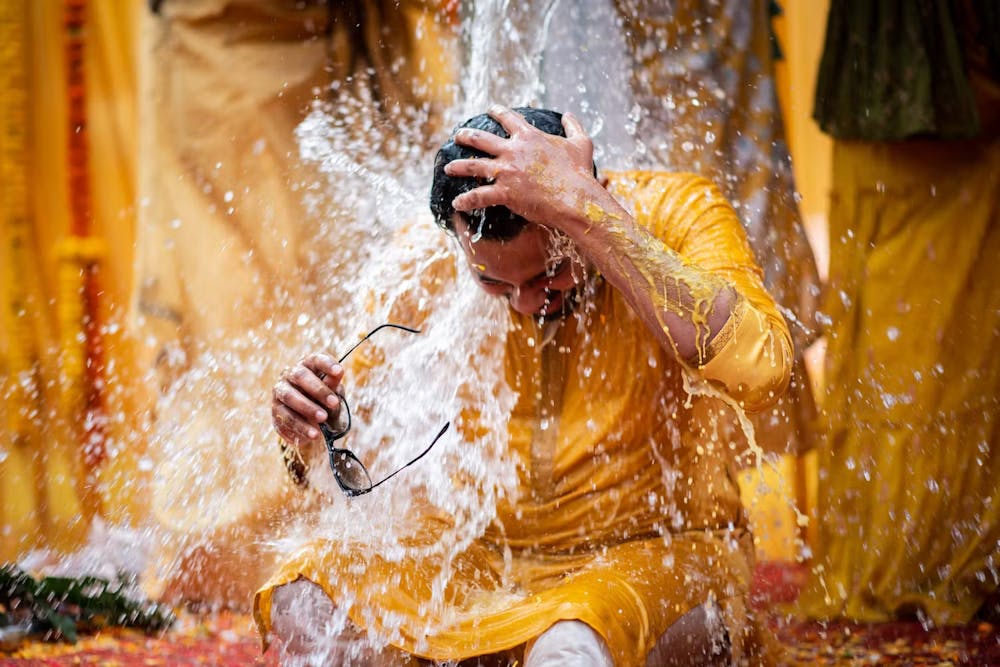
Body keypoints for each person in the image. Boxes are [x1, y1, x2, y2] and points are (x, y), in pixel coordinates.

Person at [258, 107, 792, 665]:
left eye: (548, 273)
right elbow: (355, 437)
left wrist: (588, 213)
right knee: (307, 598)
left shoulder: (675, 212)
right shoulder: (426, 257)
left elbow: (761, 367)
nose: (526, 303)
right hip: (483, 562)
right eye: (493, 282)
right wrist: (305, 429)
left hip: (651, 554)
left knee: (571, 648)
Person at [799, 0, 1000, 624]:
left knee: (897, 326)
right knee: (927, 329)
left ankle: (891, 550)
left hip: (892, 72)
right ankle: (925, 553)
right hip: (944, 76)